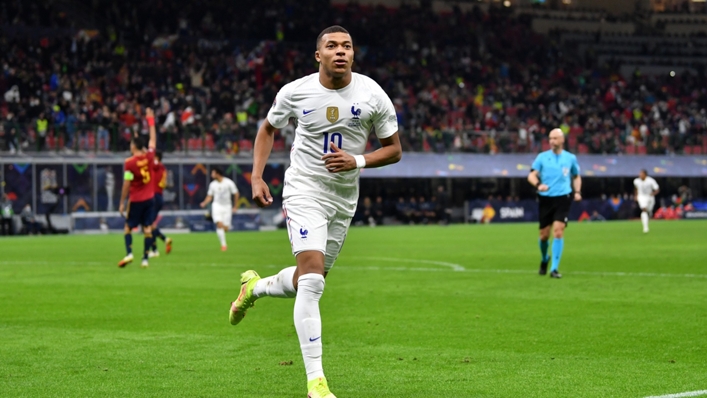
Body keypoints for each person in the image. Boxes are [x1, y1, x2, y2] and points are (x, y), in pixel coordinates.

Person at [232, 26, 402, 398]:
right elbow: (267, 129)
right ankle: (316, 382)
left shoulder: (373, 94)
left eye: (347, 46)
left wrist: (356, 160)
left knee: (312, 280)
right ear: (318, 55)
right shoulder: (295, 92)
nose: (340, 51)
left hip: (343, 201)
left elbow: (394, 149)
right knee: (311, 279)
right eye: (332, 46)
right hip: (303, 190)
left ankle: (254, 287)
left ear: (353, 55)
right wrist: (257, 175)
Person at [527, 128, 582, 279]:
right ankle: (545, 258)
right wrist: (538, 185)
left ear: (562, 140)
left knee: (558, 231)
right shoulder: (542, 157)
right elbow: (531, 175)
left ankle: (554, 269)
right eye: (550, 138)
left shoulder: (570, 158)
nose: (552, 141)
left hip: (563, 197)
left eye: (555, 138)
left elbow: (576, 176)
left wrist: (577, 192)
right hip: (545, 198)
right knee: (544, 235)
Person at [117, 108, 157, 268]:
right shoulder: (149, 156)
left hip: (136, 199)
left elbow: (127, 183)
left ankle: (129, 254)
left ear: (133, 146)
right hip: (150, 198)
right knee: (147, 228)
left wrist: (121, 202)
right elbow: (153, 140)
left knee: (128, 227)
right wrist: (151, 121)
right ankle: (145, 259)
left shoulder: (130, 163)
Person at [199, 167, 239, 251]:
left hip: (227, 206)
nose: (211, 175)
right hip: (216, 206)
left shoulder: (228, 182)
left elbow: (236, 193)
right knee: (219, 224)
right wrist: (204, 203)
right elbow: (210, 196)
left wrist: (235, 206)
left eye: (213, 173)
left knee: (226, 228)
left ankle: (223, 240)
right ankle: (224, 245)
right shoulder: (212, 184)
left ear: (218, 174)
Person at [148, 151, 173, 257]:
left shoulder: (157, 165)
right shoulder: (162, 168)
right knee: (150, 224)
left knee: (149, 224)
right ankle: (164, 240)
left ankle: (155, 250)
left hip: (154, 196)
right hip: (158, 196)